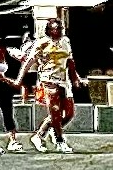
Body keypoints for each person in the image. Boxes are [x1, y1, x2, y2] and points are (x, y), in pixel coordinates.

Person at [27, 19, 76, 150]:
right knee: (55, 111)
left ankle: (40, 134)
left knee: (69, 113)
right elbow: (30, 60)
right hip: (48, 79)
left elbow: (70, 61)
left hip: (63, 80)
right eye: (57, 28)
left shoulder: (65, 41)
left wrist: (76, 78)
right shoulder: (41, 43)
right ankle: (60, 141)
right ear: (49, 30)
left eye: (61, 28)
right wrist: (19, 79)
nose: (60, 31)